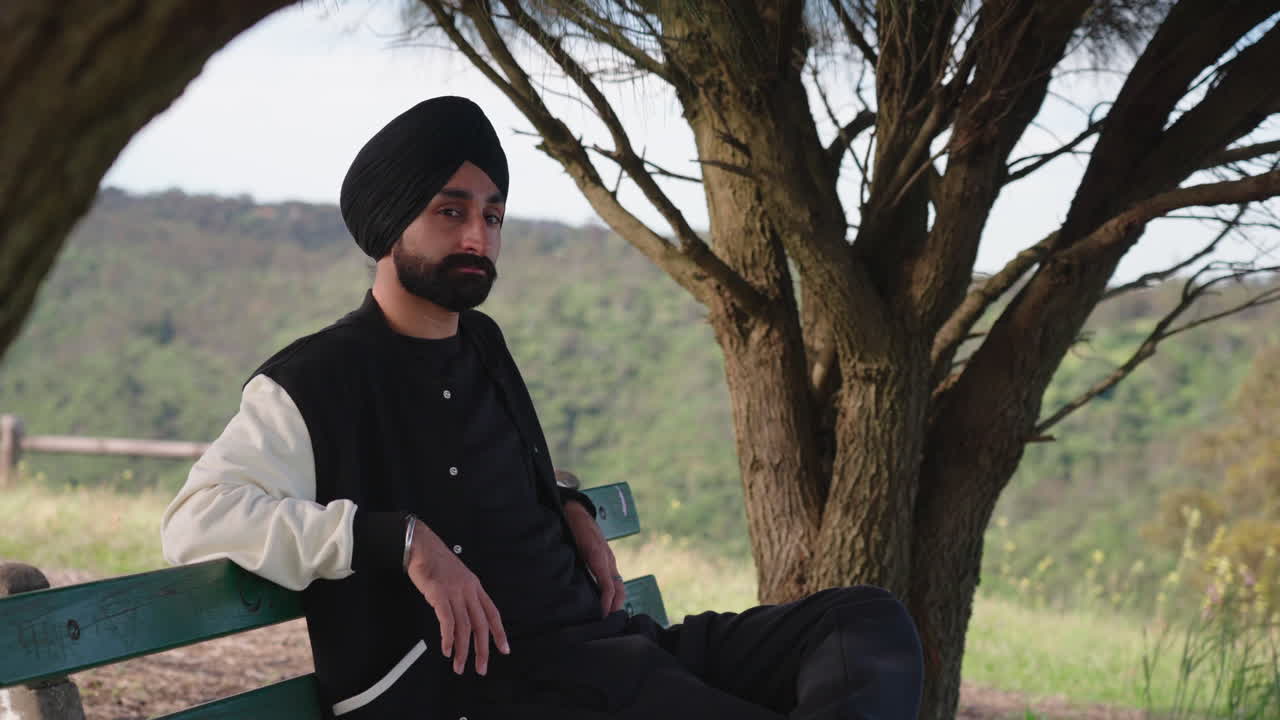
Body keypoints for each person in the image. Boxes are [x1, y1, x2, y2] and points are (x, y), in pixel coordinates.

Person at [160, 96, 924, 720]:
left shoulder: (482, 343)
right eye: (451, 211)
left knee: (864, 622)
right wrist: (405, 542)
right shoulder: (313, 380)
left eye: (492, 216)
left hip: (606, 650)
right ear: (389, 222)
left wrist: (568, 505)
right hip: (485, 690)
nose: (478, 236)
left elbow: (489, 469)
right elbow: (198, 520)